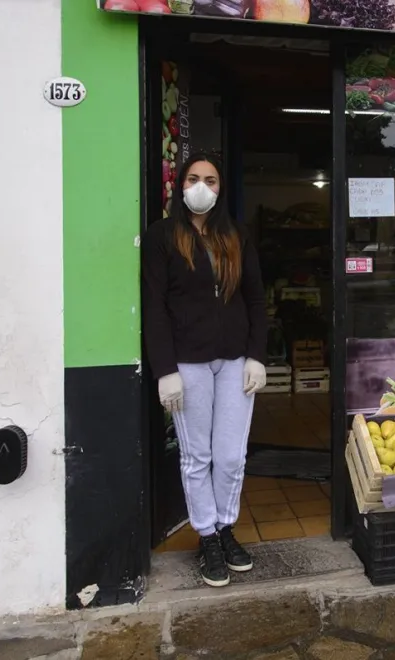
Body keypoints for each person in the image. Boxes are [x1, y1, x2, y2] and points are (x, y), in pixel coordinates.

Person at [143, 153, 268, 588]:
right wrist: (165, 369)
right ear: (180, 185)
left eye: (210, 180)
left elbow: (256, 299)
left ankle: (225, 526)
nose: (201, 187)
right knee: (198, 455)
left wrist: (257, 356)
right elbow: (154, 307)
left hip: (235, 360)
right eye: (193, 178)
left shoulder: (236, 235)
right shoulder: (162, 236)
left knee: (231, 455)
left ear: (220, 188)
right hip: (187, 362)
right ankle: (208, 536)